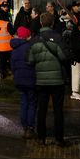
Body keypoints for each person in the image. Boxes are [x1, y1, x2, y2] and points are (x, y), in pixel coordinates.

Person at [28, 12, 69, 146]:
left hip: (41, 80)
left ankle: (41, 138)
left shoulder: (34, 39)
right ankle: (59, 139)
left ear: (40, 23)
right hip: (57, 80)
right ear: (52, 23)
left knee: (42, 110)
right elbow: (64, 56)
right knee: (58, 110)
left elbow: (29, 60)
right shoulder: (57, 37)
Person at [11, 26, 37, 138]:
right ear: (27, 36)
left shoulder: (15, 49)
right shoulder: (31, 47)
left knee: (23, 103)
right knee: (32, 104)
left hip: (19, 79)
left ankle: (24, 127)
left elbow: (12, 66)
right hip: (31, 79)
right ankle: (30, 128)